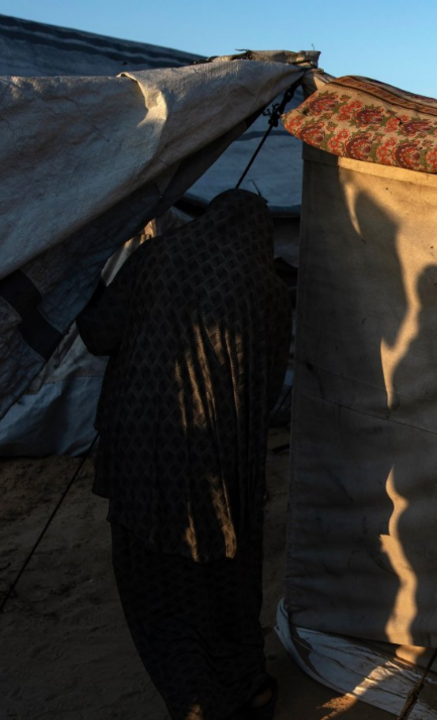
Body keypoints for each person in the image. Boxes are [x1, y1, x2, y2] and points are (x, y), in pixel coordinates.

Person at [78, 189, 291, 720]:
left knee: (152, 575)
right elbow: (264, 393)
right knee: (221, 573)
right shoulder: (266, 288)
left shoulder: (157, 257)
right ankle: (244, 686)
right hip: (216, 458)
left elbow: (99, 334)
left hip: (139, 446)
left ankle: (192, 697)